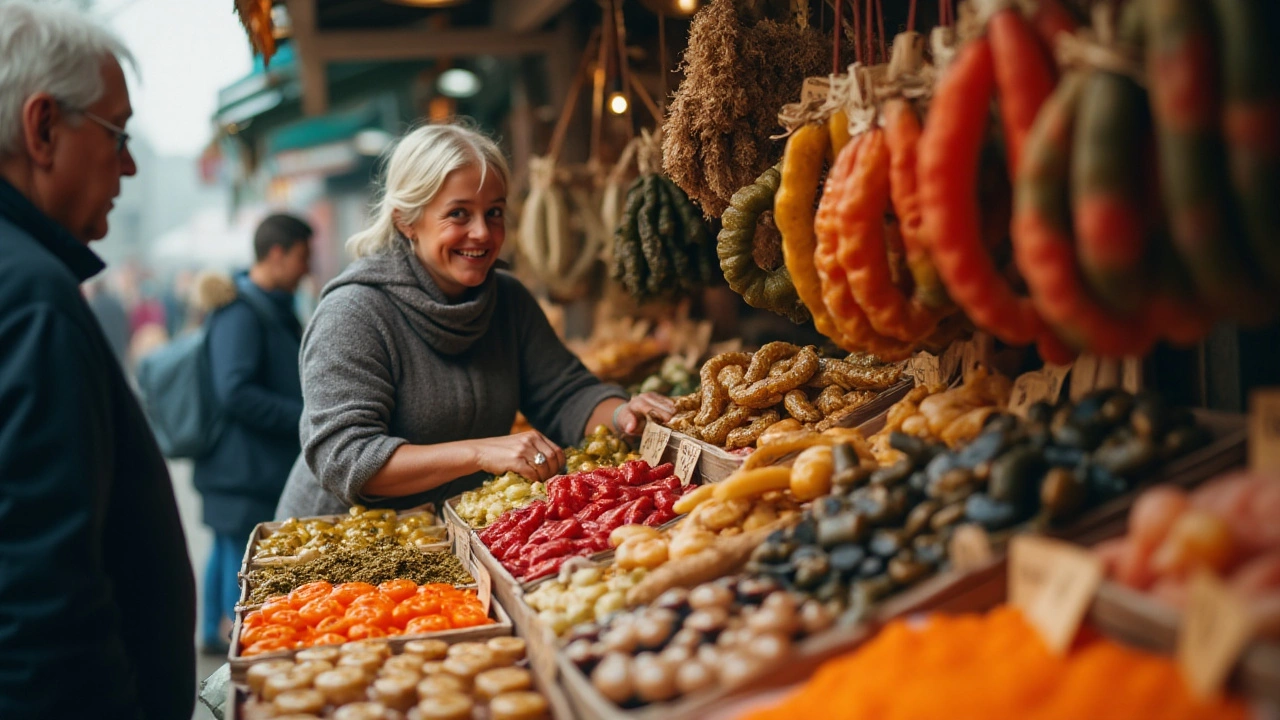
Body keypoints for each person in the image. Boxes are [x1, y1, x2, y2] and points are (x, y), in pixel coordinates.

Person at [276, 123, 675, 520]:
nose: (482, 233)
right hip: (339, 543)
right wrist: (481, 451)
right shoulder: (354, 313)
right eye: (459, 214)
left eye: (494, 212)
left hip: (448, 532)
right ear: (406, 221)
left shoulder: (507, 300)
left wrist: (624, 416)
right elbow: (345, 458)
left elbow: (565, 393)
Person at [0, 3, 195, 719]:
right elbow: (43, 604)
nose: (130, 162)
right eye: (117, 133)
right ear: (44, 127)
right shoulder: (29, 297)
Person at [194, 213, 311, 653]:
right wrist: (303, 417)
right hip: (240, 468)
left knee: (227, 550)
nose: (306, 268)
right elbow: (235, 391)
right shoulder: (241, 312)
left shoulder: (271, 307)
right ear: (276, 254)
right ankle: (234, 655)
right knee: (238, 563)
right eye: (302, 256)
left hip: (248, 467)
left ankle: (211, 634)